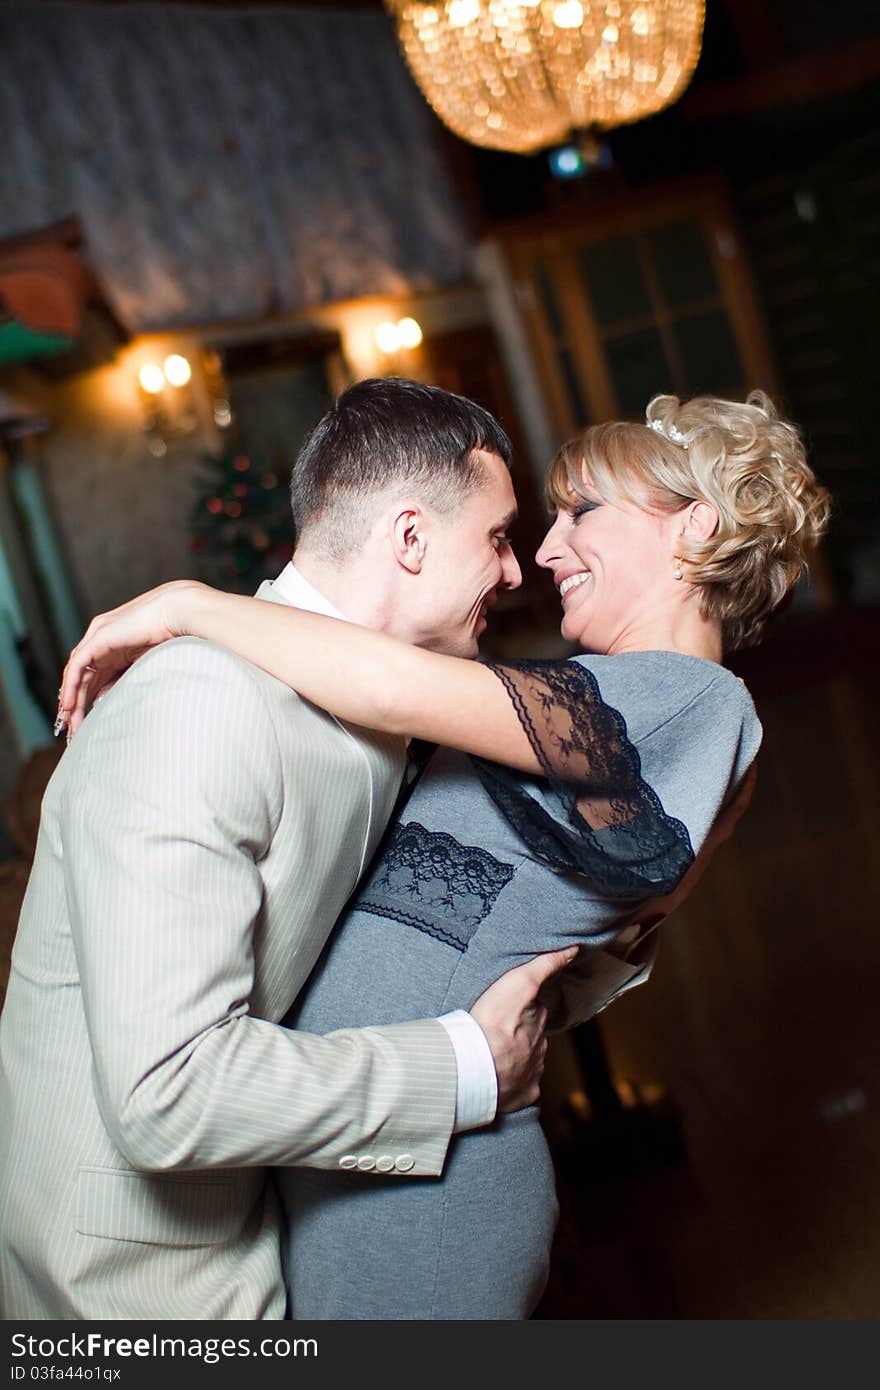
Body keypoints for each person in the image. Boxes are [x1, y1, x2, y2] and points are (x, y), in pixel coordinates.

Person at [59, 390, 830, 1320]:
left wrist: (187, 603)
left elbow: (386, 685)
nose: (543, 554)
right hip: (357, 1163)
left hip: (431, 1196)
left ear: (694, 528)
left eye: (583, 513)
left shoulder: (692, 700)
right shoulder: (604, 700)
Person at [0, 379, 581, 1321]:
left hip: (262, 1232)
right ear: (409, 539)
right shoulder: (201, 707)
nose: (517, 572)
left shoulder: (385, 711)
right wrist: (469, 1065)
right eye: (499, 536)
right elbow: (167, 1091)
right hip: (129, 1292)